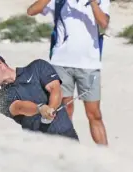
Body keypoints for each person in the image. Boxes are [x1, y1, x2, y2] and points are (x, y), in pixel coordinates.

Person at [27, 0, 109, 145]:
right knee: (65, 111)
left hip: (89, 64)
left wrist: (92, 3)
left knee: (94, 114)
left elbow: (104, 23)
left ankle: (105, 156)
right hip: (61, 63)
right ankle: (66, 151)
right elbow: (31, 11)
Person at [0, 52, 79, 141]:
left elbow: (55, 89)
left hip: (67, 136)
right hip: (39, 143)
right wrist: (40, 109)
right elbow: (19, 107)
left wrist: (52, 108)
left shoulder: (38, 66)